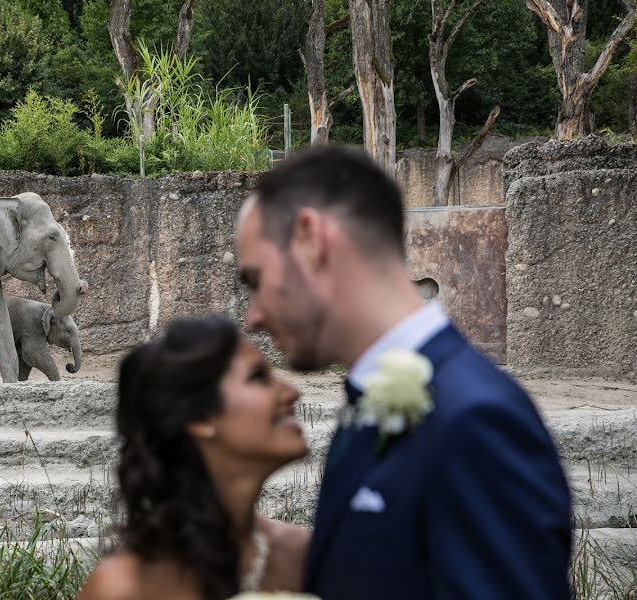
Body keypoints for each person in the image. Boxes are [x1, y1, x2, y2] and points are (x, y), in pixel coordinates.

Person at [235, 144, 572, 599]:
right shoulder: (368, 406)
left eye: (256, 280)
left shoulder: (477, 420)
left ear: (311, 239)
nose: (253, 316)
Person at [78, 316, 311, 600]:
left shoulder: (301, 554)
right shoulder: (123, 588)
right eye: (258, 377)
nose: (292, 392)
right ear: (201, 417)